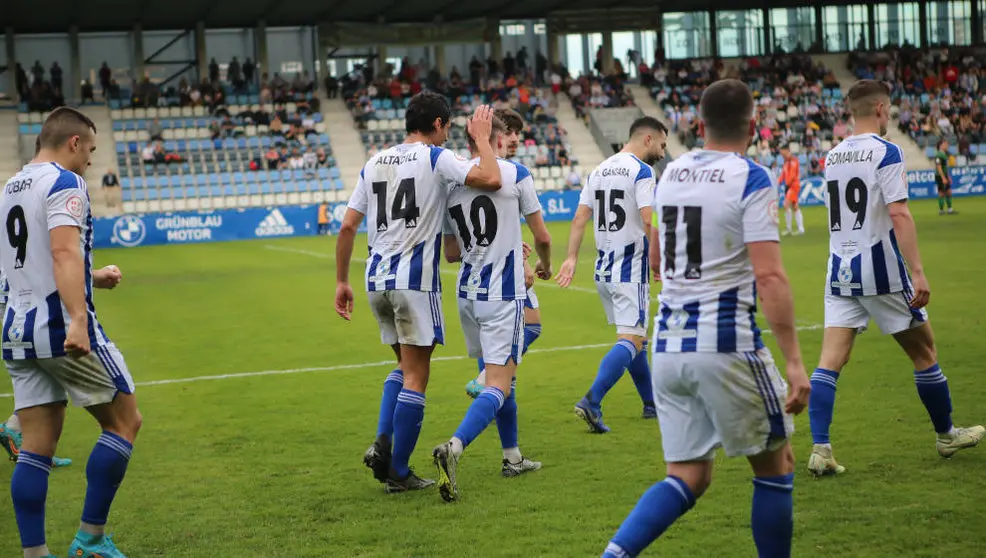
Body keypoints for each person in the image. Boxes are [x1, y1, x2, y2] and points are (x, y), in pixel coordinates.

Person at [601, 79, 810, 558]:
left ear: (699, 124)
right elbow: (771, 276)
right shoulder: (752, 177)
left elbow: (655, 255)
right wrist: (795, 364)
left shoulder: (670, 175)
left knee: (688, 476)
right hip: (725, 343)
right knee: (776, 467)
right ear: (754, 126)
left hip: (670, 347)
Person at [806, 80, 983, 476]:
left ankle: (820, 448)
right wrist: (917, 271)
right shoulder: (887, 151)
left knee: (831, 360)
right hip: (880, 267)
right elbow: (899, 213)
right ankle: (946, 434)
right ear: (882, 108)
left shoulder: (832, 155)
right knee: (925, 352)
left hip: (839, 269)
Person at [334, 92, 502, 493]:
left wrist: (342, 281)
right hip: (413, 281)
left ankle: (384, 445)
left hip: (376, 280)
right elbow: (491, 179)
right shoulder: (433, 156)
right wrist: (482, 139)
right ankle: (399, 472)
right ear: (440, 124)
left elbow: (346, 227)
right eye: (447, 129)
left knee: (403, 367)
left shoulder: (374, 161)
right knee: (416, 376)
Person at [2, 106, 140, 558]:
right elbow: (62, 252)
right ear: (74, 143)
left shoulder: (10, 188)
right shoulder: (66, 182)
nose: (91, 162)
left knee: (36, 446)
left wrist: (91, 275)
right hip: (61, 327)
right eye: (91, 151)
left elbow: (25, 263)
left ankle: (34, 553)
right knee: (124, 422)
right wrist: (79, 318)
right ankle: (91, 539)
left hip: (18, 330)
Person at [431, 116, 552, 503]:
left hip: (467, 293)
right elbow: (544, 235)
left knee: (503, 376)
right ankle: (454, 447)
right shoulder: (515, 173)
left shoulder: (453, 185)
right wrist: (543, 264)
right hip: (502, 294)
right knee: (498, 383)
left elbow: (451, 253)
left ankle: (512, 457)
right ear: (494, 138)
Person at [554, 117, 668, 433]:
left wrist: (571, 258)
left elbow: (579, 218)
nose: (662, 150)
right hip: (630, 268)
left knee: (636, 339)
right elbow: (648, 220)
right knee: (630, 340)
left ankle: (650, 403)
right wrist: (658, 260)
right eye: (661, 144)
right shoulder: (643, 172)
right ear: (648, 138)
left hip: (603, 270)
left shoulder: (599, 171)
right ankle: (592, 400)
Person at [465, 108, 544, 399]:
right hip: (497, 271)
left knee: (526, 328)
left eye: (517, 133)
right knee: (531, 326)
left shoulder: (507, 173)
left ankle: (490, 383)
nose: (514, 139)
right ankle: (488, 379)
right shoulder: (503, 174)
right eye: (508, 132)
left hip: (493, 267)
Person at [779, 144, 804, 235]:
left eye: (783, 153)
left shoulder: (793, 161)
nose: (781, 155)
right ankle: (801, 229)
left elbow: (792, 175)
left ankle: (789, 229)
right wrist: (777, 182)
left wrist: (787, 185)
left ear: (787, 151)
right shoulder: (785, 162)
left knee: (786, 204)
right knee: (794, 206)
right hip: (789, 186)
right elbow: (783, 175)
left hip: (793, 186)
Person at [934, 139, 956, 215]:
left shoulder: (944, 154)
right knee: (941, 193)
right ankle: (941, 210)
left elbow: (945, 167)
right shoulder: (938, 155)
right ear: (941, 145)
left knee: (949, 192)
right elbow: (939, 167)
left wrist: (948, 176)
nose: (947, 146)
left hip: (945, 175)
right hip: (940, 176)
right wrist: (943, 178)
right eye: (945, 144)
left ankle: (950, 209)